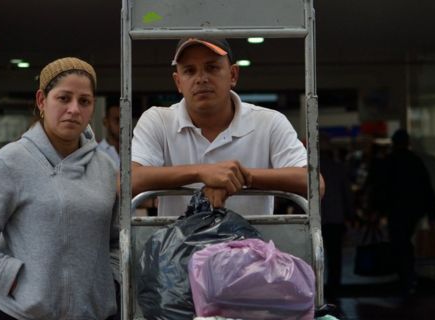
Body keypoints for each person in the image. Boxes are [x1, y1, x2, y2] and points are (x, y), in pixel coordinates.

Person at [0, 57, 118, 320]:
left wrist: (106, 284)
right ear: (42, 100)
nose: (74, 109)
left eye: (84, 101)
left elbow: (116, 239)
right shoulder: (9, 162)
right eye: (64, 98)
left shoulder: (105, 168)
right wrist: (17, 280)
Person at [132, 37, 323, 216]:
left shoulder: (269, 122)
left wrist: (242, 176)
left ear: (233, 75)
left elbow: (315, 184)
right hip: (177, 251)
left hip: (251, 250)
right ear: (178, 82)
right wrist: (202, 172)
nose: (201, 78)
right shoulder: (157, 120)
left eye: (212, 67)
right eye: (189, 71)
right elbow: (127, 182)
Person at [374, 129, 435, 296]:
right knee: (404, 241)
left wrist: (378, 210)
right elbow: (427, 189)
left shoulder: (390, 161)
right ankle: (408, 277)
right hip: (414, 209)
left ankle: (405, 277)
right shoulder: (415, 161)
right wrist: (432, 215)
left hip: (396, 209)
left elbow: (381, 188)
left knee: (399, 241)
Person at [319, 133, 353, 298]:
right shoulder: (339, 168)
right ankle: (334, 288)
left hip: (317, 218)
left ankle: (317, 288)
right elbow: (346, 194)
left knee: (316, 255)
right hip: (335, 218)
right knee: (335, 256)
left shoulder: (311, 169)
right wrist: (350, 215)